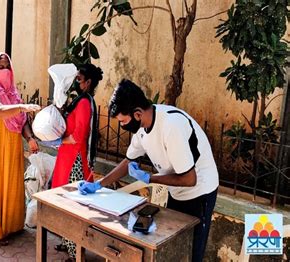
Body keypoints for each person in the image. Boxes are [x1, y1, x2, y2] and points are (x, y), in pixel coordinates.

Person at [78, 79, 219, 262]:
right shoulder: (142, 127)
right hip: (176, 191)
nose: (121, 126)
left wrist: (150, 178)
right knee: (173, 246)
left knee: (192, 252)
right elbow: (128, 161)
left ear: (137, 114)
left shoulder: (171, 126)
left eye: (122, 121)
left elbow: (189, 179)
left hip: (200, 191)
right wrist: (98, 185)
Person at [0, 52, 40, 245]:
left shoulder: (13, 93)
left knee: (13, 183)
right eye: (1, 66)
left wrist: (30, 139)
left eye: (7, 66)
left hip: (12, 145)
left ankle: (13, 226)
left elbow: (22, 122)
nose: (4, 70)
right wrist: (23, 107)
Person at [45, 64, 103, 260]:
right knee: (65, 201)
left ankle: (76, 253)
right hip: (68, 156)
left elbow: (79, 134)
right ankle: (68, 242)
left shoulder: (86, 103)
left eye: (79, 79)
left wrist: (60, 139)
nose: (76, 82)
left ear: (88, 83)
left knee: (73, 205)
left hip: (75, 159)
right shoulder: (80, 101)